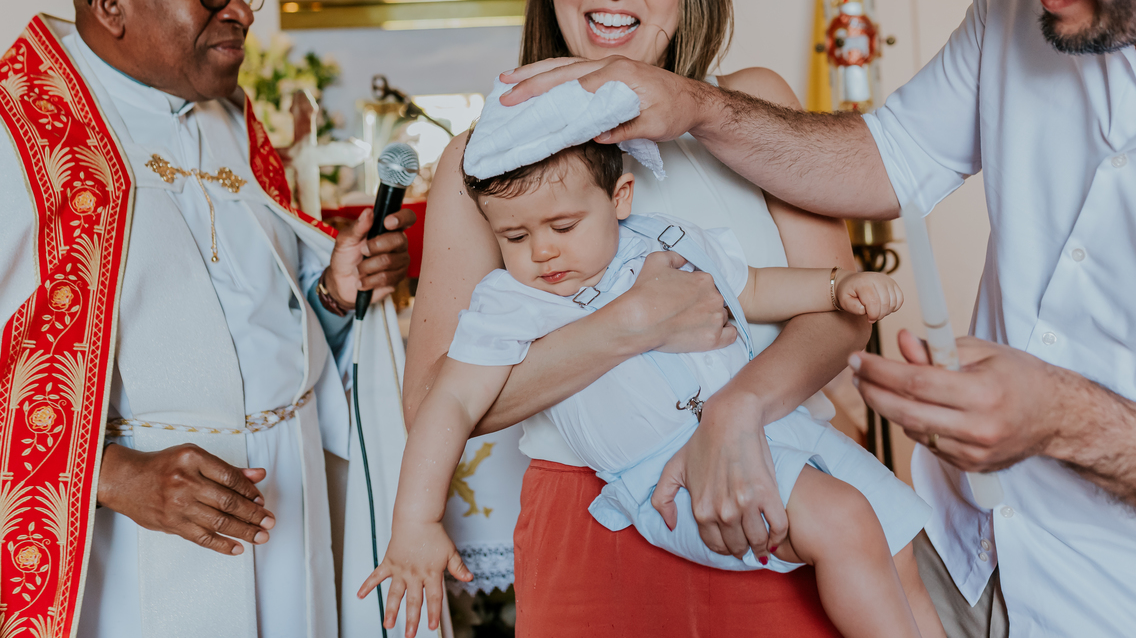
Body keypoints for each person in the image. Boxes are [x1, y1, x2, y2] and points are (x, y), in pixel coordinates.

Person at [500, 0, 1136, 635]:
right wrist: (701, 109)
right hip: (959, 556)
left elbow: (822, 302)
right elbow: (889, 155)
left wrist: (1068, 420)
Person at [403, 0, 875, 634]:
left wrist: (739, 412)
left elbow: (840, 308)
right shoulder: (481, 164)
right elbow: (435, 403)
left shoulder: (752, 105)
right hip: (595, 517)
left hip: (770, 486)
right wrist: (632, 323)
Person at [0, 0, 415, 638]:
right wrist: (114, 477)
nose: (243, 6)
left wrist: (329, 293)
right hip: (144, 550)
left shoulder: (233, 118)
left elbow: (264, 316)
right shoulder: (20, 134)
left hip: (291, 508)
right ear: (110, 5)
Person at [368, 123, 941, 638]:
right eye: (514, 238)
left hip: (777, 428)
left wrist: (835, 287)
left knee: (896, 541)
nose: (542, 251)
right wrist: (416, 521)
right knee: (843, 522)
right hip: (672, 473)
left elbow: (754, 290)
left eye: (563, 226)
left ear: (619, 198)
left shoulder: (664, 239)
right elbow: (449, 402)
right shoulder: (512, 302)